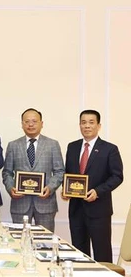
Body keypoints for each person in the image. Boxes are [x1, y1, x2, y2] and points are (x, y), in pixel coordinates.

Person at [62, 110, 123, 262]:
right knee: (79, 253)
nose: (87, 126)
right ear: (79, 125)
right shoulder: (73, 147)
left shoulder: (110, 149)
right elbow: (67, 173)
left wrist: (97, 191)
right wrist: (66, 189)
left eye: (91, 122)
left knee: (102, 251)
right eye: (83, 122)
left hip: (99, 209)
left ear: (98, 125)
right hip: (76, 209)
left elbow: (117, 176)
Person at [2, 108, 64, 232]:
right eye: (27, 121)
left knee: (45, 243)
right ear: (22, 124)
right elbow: (7, 172)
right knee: (20, 241)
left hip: (45, 203)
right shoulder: (13, 145)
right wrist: (11, 188)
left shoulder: (52, 144)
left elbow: (59, 171)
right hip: (20, 203)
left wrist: (50, 188)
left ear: (42, 124)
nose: (30, 124)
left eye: (34, 121)